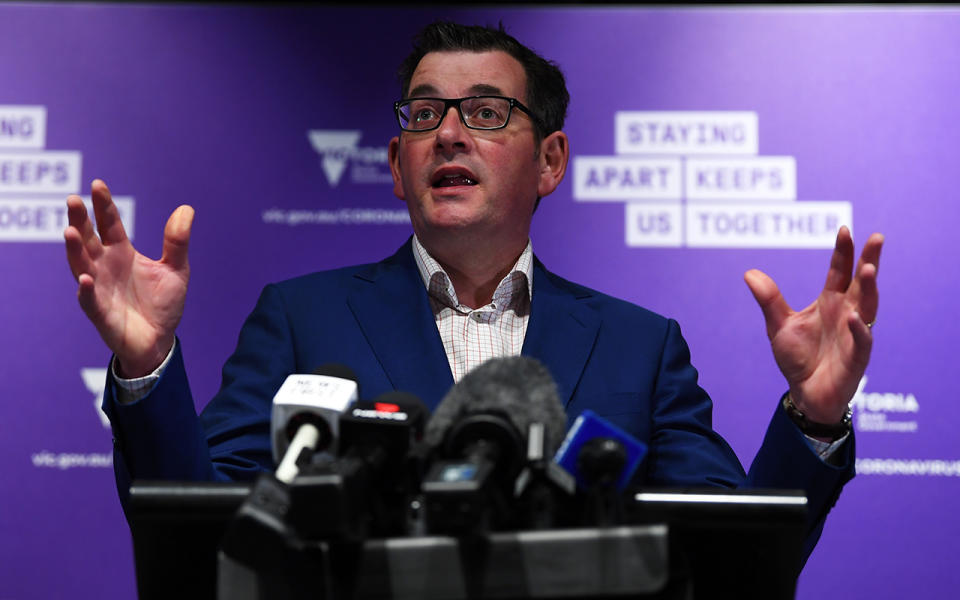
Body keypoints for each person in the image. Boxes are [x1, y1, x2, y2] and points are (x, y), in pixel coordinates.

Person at [64, 22, 882, 560]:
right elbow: (200, 529)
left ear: (551, 160)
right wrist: (148, 368)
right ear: (396, 166)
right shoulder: (301, 317)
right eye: (424, 115)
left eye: (486, 112)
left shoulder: (642, 345)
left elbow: (735, 552)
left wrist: (812, 416)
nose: (449, 132)